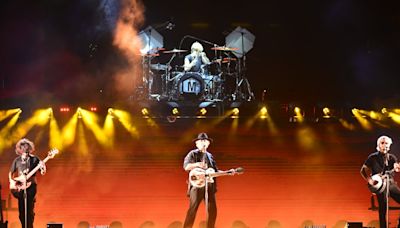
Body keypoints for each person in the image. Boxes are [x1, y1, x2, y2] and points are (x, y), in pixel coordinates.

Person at [360, 135, 400, 228]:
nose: (384, 145)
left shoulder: (392, 158)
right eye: (382, 143)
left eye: (386, 143)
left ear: (389, 146)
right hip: (380, 186)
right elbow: (363, 170)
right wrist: (369, 180)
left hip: (390, 184)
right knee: (383, 210)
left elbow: (395, 168)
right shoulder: (372, 157)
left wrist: (397, 168)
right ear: (378, 145)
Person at [9, 138, 46, 228]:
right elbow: (11, 172)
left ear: (29, 149)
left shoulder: (35, 159)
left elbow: (42, 172)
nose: (25, 150)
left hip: (31, 186)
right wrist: (12, 182)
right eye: (22, 148)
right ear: (20, 149)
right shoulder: (17, 160)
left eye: (26, 148)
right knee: (21, 212)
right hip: (20, 187)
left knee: (29, 210)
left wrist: (43, 167)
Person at [183, 132, 218, 228]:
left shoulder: (210, 156)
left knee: (212, 210)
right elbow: (186, 167)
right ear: (197, 143)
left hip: (209, 186)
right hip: (197, 186)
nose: (204, 142)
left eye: (205, 141)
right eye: (201, 141)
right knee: (192, 209)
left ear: (208, 143)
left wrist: (229, 172)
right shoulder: (192, 153)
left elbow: (215, 171)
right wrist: (197, 164)